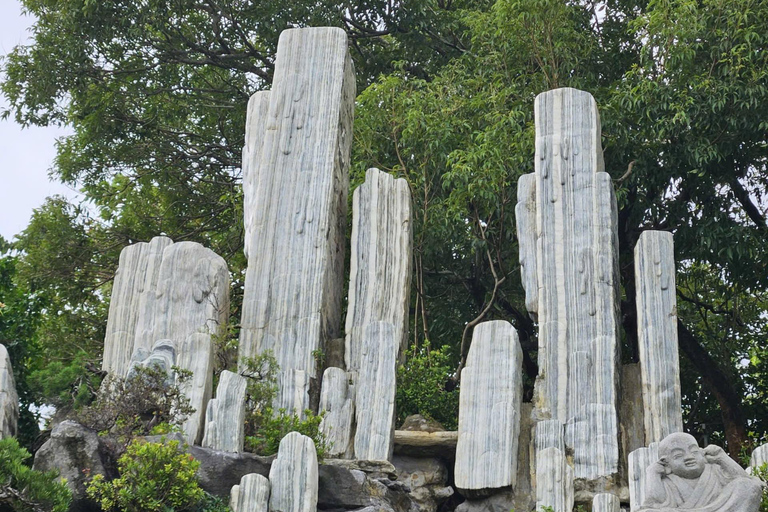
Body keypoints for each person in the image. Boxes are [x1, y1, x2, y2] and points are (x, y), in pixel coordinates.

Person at [641, 432, 764, 512]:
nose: (689, 457)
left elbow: (746, 483)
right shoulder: (667, 481)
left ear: (701, 452)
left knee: (750, 485)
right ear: (666, 463)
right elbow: (654, 503)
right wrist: (652, 473)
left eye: (694, 451)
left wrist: (722, 458)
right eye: (678, 455)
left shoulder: (714, 470)